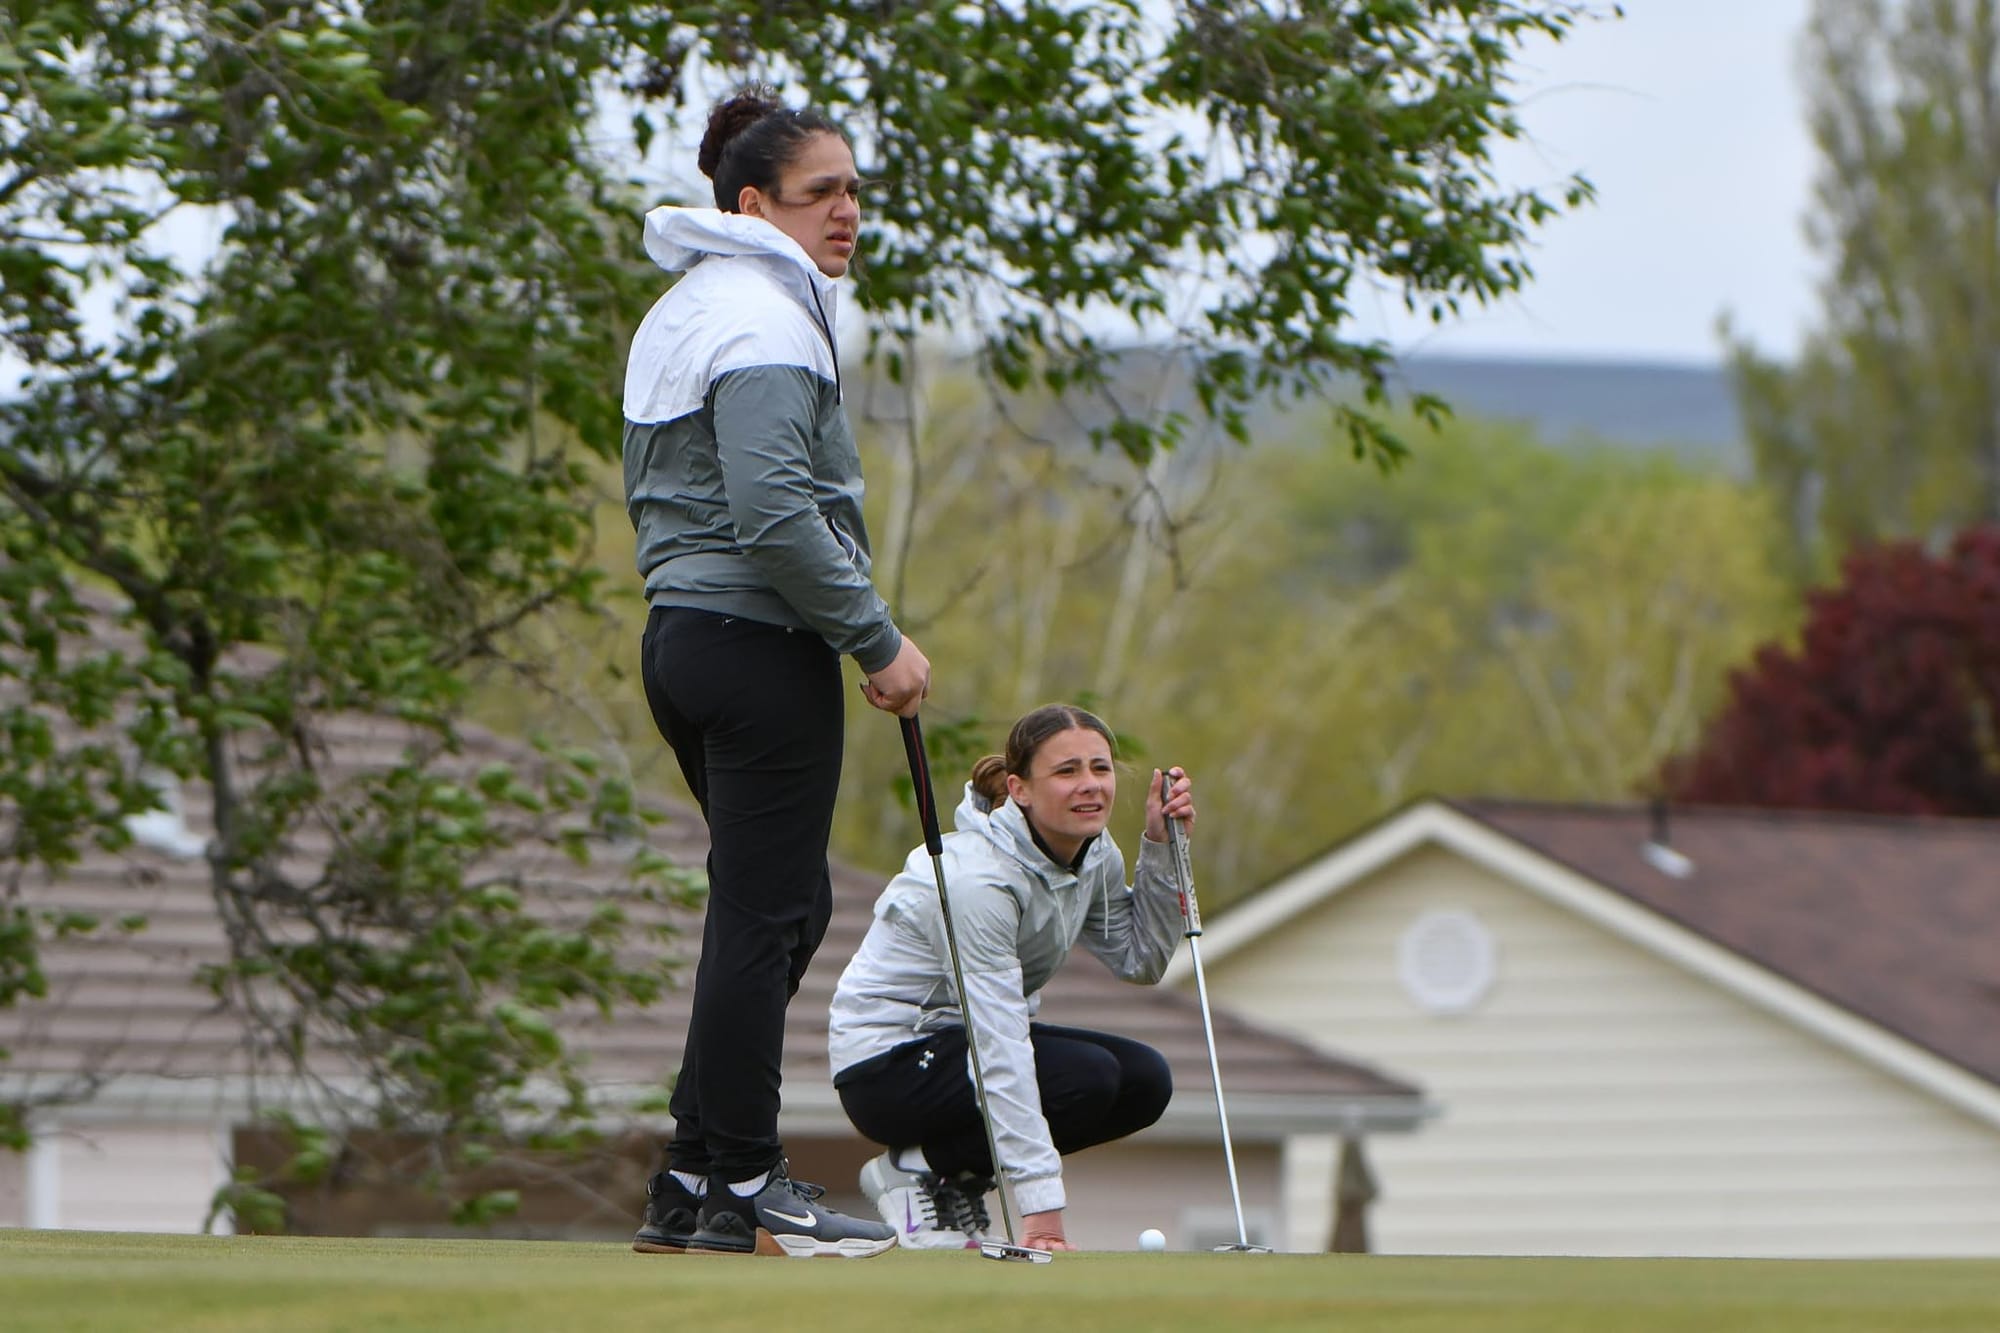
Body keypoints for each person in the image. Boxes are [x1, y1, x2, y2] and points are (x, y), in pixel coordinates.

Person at [623, 83, 930, 1260]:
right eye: (821, 194)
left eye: (853, 190)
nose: (847, 211)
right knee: (763, 915)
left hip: (686, 643)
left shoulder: (692, 306)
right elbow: (772, 512)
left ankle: (695, 1174)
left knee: (779, 905)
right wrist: (876, 638)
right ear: (754, 205)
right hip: (757, 648)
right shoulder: (760, 319)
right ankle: (744, 1178)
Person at [828, 703, 1196, 1251]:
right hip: (887, 1066)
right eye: (1067, 771)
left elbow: (1139, 958)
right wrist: (1041, 1218)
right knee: (1087, 1076)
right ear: (1020, 789)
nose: (1090, 785)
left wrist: (1164, 849)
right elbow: (998, 1043)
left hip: (959, 1047)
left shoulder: (1094, 854)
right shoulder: (979, 880)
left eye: (1101, 768)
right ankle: (911, 1169)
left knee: (1143, 1080)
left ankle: (944, 1173)